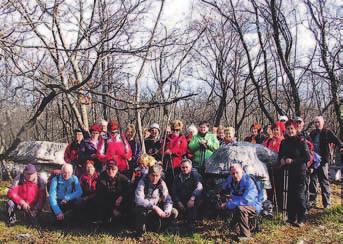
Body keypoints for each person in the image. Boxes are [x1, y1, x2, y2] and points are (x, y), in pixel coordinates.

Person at [278, 120, 310, 227]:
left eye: (292, 128)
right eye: (288, 129)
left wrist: (293, 161)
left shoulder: (301, 141)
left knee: (299, 195)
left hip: (299, 172)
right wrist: (282, 160)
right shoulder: (284, 142)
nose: (290, 131)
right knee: (290, 195)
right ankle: (291, 217)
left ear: (296, 129)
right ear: (285, 130)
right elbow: (280, 155)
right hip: (288, 172)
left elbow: (307, 157)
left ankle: (301, 218)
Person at [219, 164, 262, 239]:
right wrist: (220, 193)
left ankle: (245, 235)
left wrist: (228, 204)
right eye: (233, 173)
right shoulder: (231, 178)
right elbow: (224, 186)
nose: (235, 175)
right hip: (240, 202)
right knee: (231, 204)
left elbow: (246, 200)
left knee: (240, 209)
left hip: (254, 204)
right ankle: (232, 226)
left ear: (242, 172)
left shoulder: (249, 182)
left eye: (237, 173)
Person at [309, 116, 343, 209]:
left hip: (323, 161)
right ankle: (312, 201)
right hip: (313, 161)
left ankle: (326, 203)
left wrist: (341, 146)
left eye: (318, 122)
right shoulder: (312, 133)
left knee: (324, 181)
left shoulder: (327, 132)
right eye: (315, 122)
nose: (317, 124)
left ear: (323, 123)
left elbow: (336, 140)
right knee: (312, 181)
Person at [134, 164, 178, 234]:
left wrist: (167, 210)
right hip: (145, 208)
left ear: (160, 175)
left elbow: (168, 200)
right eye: (152, 175)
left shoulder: (162, 184)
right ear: (149, 175)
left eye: (157, 176)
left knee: (174, 212)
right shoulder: (142, 182)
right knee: (140, 211)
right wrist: (154, 207)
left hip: (157, 210)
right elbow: (138, 199)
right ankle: (140, 232)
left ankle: (161, 228)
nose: (155, 178)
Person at [95, 160, 132, 225]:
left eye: (113, 169)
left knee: (129, 199)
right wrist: (112, 209)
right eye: (108, 169)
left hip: (120, 202)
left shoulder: (123, 178)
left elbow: (129, 190)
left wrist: (121, 197)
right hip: (107, 203)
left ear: (117, 169)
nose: (110, 171)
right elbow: (100, 196)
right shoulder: (101, 178)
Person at [172, 159, 203, 230]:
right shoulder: (177, 177)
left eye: (186, 167)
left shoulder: (195, 175)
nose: (185, 169)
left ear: (191, 167)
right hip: (181, 200)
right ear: (180, 167)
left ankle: (191, 222)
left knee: (193, 206)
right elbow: (174, 191)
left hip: (193, 199)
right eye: (183, 167)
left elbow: (199, 187)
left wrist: (192, 198)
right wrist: (178, 202)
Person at [161, 120, 188, 187]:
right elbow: (161, 149)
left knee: (176, 182)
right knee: (166, 181)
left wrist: (172, 152)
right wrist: (165, 152)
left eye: (177, 130)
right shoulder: (166, 138)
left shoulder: (182, 138)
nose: (175, 131)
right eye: (174, 129)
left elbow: (183, 150)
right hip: (167, 163)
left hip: (177, 164)